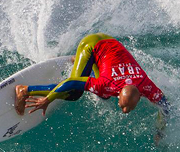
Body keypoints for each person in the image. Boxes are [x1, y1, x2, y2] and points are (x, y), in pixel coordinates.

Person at [14, 34, 171, 125]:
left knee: (103, 96)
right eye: (124, 106)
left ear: (140, 96)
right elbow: (71, 83)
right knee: (75, 94)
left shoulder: (147, 86)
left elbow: (166, 107)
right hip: (92, 44)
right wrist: (47, 99)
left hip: (110, 48)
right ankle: (25, 90)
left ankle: (86, 64)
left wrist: (160, 131)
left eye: (127, 108)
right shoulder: (106, 84)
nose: (124, 111)